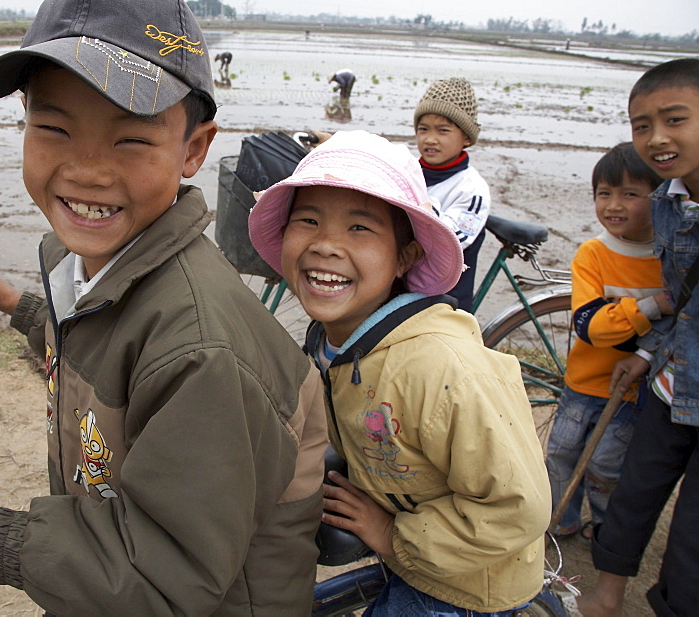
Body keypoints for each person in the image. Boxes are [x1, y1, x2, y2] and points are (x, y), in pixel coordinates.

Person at [0, 0, 327, 615]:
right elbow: (100, 344)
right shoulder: (83, 254)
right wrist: (15, 305)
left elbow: (171, 574)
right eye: (54, 128)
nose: (86, 171)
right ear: (24, 119)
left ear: (193, 149)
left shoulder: (203, 352)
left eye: (131, 138)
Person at [248, 131, 552, 615]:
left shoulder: (442, 368)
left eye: (360, 229)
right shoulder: (333, 339)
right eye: (308, 220)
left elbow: (518, 507)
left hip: (465, 587)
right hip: (414, 543)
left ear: (405, 258)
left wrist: (393, 535)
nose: (326, 245)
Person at [577, 58, 699, 617]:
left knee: (691, 535)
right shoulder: (670, 202)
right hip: (670, 383)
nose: (658, 137)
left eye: (675, 119)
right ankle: (606, 594)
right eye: (641, 125)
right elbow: (682, 301)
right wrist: (649, 352)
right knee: (632, 492)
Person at [545, 142, 665, 543]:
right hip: (581, 383)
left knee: (606, 466)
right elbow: (590, 325)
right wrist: (649, 306)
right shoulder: (592, 255)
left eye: (630, 194)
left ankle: (605, 529)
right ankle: (558, 519)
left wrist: (637, 323)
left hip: (631, 393)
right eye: (604, 193)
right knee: (561, 454)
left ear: (660, 195)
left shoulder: (669, 257)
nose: (614, 205)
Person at [413, 77, 490, 312]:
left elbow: (451, 241)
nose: (430, 139)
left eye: (443, 130)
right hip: (407, 289)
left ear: (466, 138)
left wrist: (419, 200)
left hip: (443, 301)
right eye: (423, 129)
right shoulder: (411, 170)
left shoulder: (472, 190)